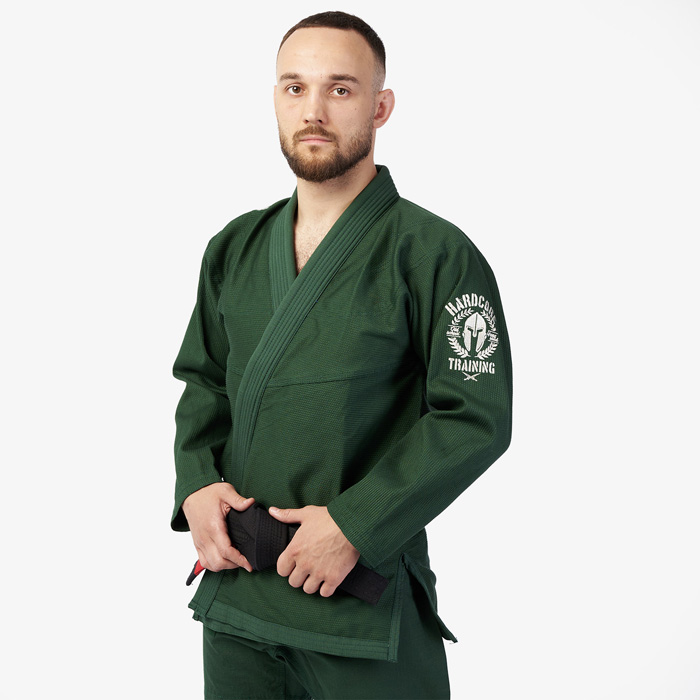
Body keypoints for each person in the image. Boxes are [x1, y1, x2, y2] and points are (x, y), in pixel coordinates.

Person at [172, 10, 512, 699]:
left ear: (381, 107)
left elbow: (474, 418)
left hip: (359, 601)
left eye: (341, 89)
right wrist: (195, 484)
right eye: (294, 88)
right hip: (239, 595)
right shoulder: (234, 247)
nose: (314, 111)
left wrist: (355, 525)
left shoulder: (434, 253)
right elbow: (204, 381)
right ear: (275, 98)